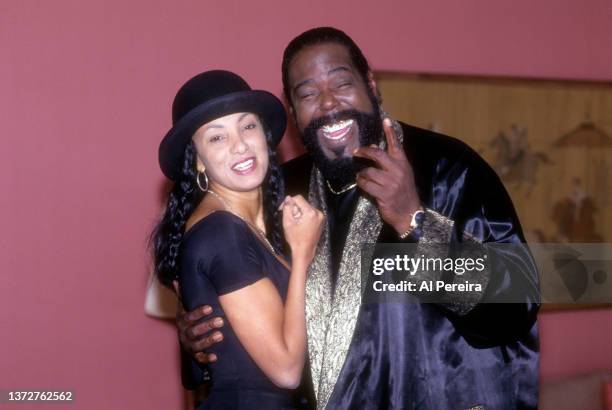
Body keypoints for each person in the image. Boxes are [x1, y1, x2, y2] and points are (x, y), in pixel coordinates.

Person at [177, 28, 540, 410]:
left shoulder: (448, 169)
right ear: (292, 111)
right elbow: (259, 318)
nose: (329, 104)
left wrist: (415, 222)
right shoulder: (283, 190)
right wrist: (203, 340)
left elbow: (514, 311)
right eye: (308, 94)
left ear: (370, 84)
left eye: (341, 83)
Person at [152, 70, 324, 409]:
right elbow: (287, 370)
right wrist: (303, 255)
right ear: (198, 160)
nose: (240, 144)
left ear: (266, 134)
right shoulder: (222, 232)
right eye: (217, 138)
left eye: (248, 126)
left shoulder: (270, 217)